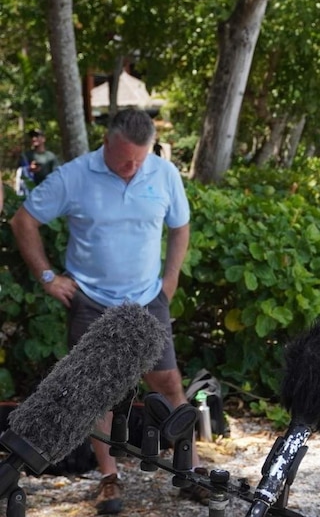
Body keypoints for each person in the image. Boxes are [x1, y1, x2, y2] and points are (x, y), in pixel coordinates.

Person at [10, 109, 207, 514]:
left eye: (140, 158)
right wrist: (48, 276)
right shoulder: (75, 175)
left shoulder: (164, 173)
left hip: (147, 297)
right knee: (92, 391)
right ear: (107, 141)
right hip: (92, 299)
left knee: (168, 381)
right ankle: (109, 478)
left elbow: (180, 226)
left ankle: (191, 470)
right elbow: (23, 219)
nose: (132, 167)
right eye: (124, 159)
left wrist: (170, 279)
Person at [17, 128, 61, 193]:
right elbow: (20, 173)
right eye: (32, 136)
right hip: (30, 192)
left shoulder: (50, 156)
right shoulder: (25, 156)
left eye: (37, 136)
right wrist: (29, 169)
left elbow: (56, 175)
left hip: (47, 191)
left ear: (43, 139)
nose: (34, 139)